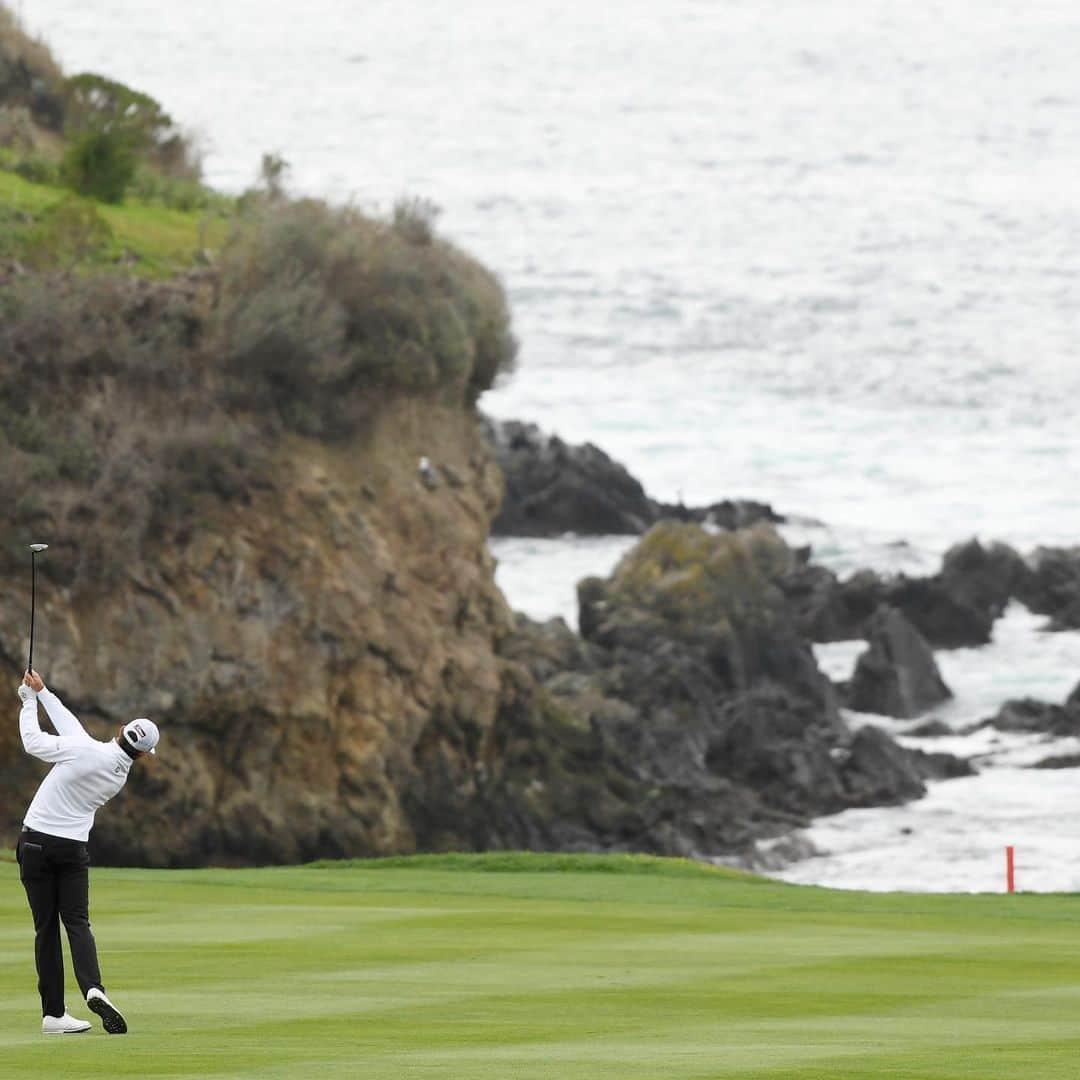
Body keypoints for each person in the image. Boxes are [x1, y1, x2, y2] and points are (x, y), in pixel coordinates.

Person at [16, 669, 159, 1035]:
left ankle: (53, 1013)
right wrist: (44, 691)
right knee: (77, 923)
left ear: (121, 727)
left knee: (45, 929)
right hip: (73, 850)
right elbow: (74, 730)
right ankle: (94, 988)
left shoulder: (85, 750)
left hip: (35, 845)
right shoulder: (117, 772)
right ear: (143, 756)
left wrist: (28, 702)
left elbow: (33, 742)